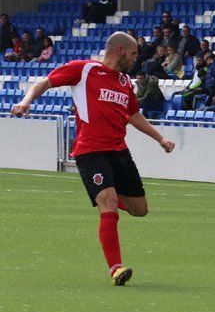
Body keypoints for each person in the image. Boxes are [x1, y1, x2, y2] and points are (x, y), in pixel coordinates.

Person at [11, 32, 175, 285]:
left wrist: (160, 139)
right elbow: (44, 82)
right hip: (91, 152)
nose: (135, 59)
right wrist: (26, 100)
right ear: (119, 51)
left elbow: (134, 115)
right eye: (133, 54)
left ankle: (104, 192)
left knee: (139, 210)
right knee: (108, 203)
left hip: (119, 152)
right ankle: (116, 268)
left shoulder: (124, 82)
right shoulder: (84, 69)